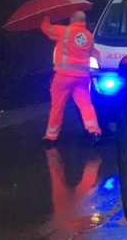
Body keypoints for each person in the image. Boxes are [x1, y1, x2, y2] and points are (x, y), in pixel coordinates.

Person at [40, 11, 101, 147]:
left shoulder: (64, 31)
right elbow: (92, 53)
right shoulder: (89, 36)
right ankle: (94, 132)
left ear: (72, 18)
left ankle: (51, 137)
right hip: (82, 78)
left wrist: (47, 16)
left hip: (63, 77)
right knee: (85, 104)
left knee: (57, 106)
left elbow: (46, 28)